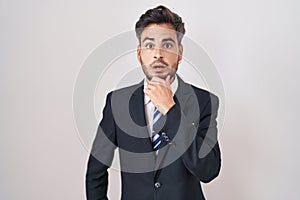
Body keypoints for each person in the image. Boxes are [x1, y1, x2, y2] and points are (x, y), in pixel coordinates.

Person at [86, 5, 221, 200]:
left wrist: (170, 109)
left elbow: (208, 170)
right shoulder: (117, 102)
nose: (158, 54)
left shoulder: (205, 102)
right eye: (149, 45)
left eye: (167, 45)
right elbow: (95, 172)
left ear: (180, 52)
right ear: (139, 53)